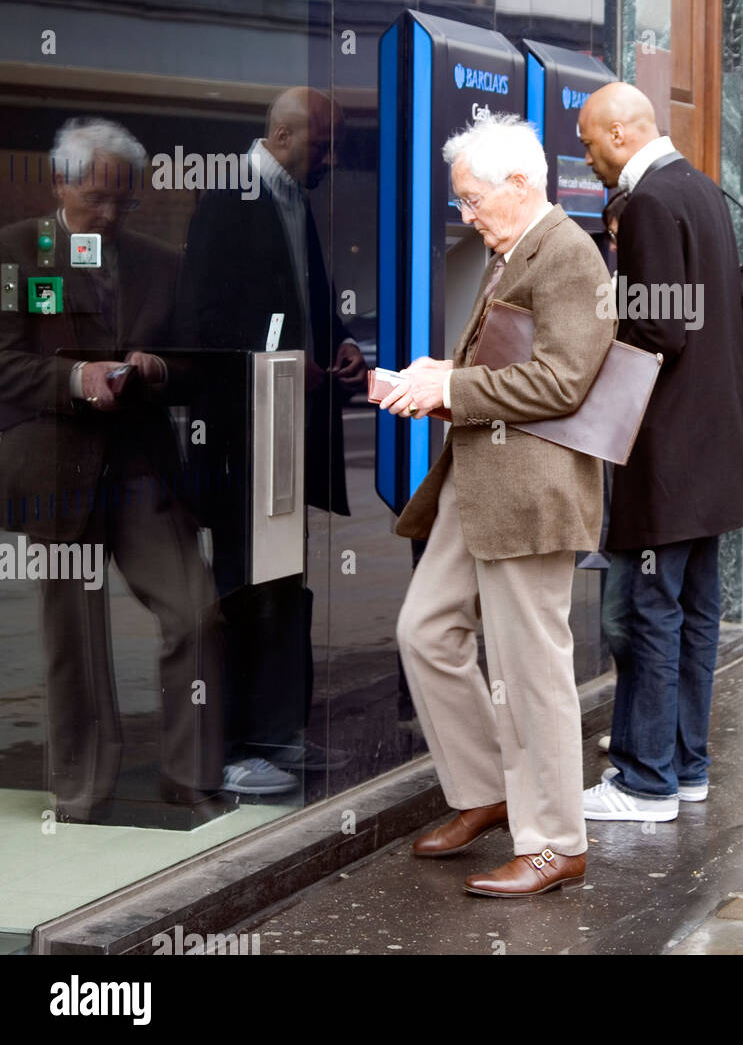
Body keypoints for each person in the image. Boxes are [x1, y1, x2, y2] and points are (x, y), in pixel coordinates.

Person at [385, 112, 614, 897]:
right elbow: (504, 367)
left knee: (530, 671)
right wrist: (433, 378)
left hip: (528, 494)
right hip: (478, 481)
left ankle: (556, 841)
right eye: (462, 202)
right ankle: (485, 791)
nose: (467, 214)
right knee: (425, 630)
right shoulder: (518, 247)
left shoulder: (568, 255)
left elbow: (561, 382)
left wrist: (449, 386)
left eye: (474, 199)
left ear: (522, 185)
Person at [0, 118, 224, 818]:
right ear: (61, 181)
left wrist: (158, 370)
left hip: (142, 470)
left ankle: (188, 778)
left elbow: (199, 366)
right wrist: (75, 380)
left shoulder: (163, 262)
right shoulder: (14, 251)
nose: (111, 213)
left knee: (196, 612)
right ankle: (81, 791)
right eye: (97, 196)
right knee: (73, 639)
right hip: (54, 474)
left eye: (124, 201)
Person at [575, 82, 743, 823]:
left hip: (669, 453)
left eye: (591, 143)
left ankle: (643, 779)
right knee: (693, 610)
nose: (587, 157)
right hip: (716, 448)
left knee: (645, 612)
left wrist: (596, 323)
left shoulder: (652, 201)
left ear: (622, 133)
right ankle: (686, 767)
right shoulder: (702, 190)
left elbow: (661, 329)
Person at [182, 87, 364, 794]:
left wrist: (339, 347)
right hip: (243, 433)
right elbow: (205, 319)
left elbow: (308, 300)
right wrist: (284, 367)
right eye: (324, 143)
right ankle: (231, 749)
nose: (333, 156)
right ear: (284, 135)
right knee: (243, 586)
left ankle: (278, 733)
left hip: (286, 426)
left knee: (285, 583)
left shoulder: (292, 198)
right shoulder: (232, 198)